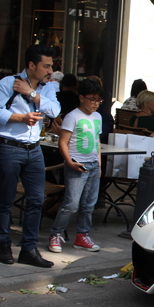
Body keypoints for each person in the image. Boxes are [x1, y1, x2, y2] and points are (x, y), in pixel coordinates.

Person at [0, 44, 61, 267]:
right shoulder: (8, 83)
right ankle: (3, 244)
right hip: (9, 147)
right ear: (32, 65)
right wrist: (20, 118)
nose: (50, 70)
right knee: (5, 199)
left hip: (35, 149)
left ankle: (29, 249)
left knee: (35, 200)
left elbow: (54, 111)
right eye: (46, 66)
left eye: (51, 65)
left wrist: (31, 93)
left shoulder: (47, 87)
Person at [48, 79, 104, 253]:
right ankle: (56, 234)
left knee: (89, 203)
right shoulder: (72, 116)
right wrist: (70, 162)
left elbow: (97, 140)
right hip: (77, 164)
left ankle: (82, 235)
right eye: (92, 99)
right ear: (81, 98)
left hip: (93, 164)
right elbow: (63, 142)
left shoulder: (98, 116)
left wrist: (99, 162)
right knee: (71, 203)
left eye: (98, 100)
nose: (95, 104)